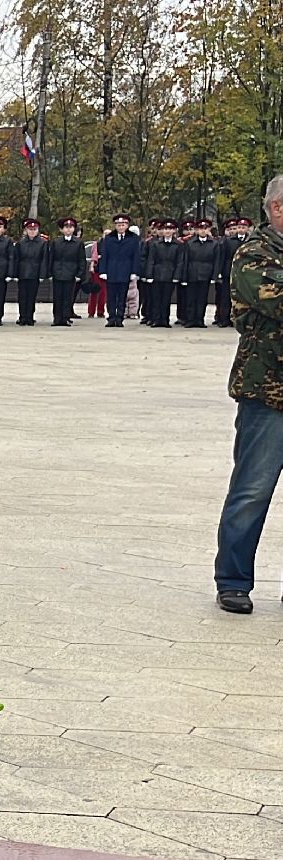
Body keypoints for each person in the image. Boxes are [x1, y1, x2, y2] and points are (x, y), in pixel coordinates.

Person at [213, 176, 283, 615]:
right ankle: (233, 581)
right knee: (252, 491)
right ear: (277, 208)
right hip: (268, 392)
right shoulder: (254, 253)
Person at [95, 215, 141, 329]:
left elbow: (136, 256)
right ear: (115, 226)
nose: (121, 227)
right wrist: (103, 271)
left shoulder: (133, 238)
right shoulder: (109, 238)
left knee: (122, 296)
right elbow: (104, 255)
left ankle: (119, 318)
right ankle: (111, 318)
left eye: (123, 225)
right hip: (111, 270)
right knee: (111, 297)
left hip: (125, 270)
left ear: (127, 225)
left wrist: (134, 271)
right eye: (118, 225)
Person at [180, 219, 222, 329]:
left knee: (202, 299)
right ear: (197, 230)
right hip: (192, 272)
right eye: (200, 229)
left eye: (205, 229)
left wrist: (215, 276)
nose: (203, 231)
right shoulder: (190, 243)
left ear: (208, 230)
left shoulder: (214, 244)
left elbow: (217, 261)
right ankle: (190, 320)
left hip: (206, 273)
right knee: (190, 298)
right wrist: (183, 276)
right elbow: (185, 261)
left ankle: (199, 319)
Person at [141, 219, 182, 328]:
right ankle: (156, 319)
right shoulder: (155, 244)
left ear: (174, 231)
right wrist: (149, 275)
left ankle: (164, 319)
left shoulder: (178, 245)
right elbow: (151, 260)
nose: (167, 231)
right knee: (156, 298)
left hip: (170, 274)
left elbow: (179, 262)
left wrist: (177, 276)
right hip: (157, 274)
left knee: (166, 299)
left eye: (170, 229)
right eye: (165, 229)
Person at [48, 218, 85, 327]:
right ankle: (57, 318)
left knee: (68, 297)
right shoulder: (56, 242)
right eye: (66, 227)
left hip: (71, 273)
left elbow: (81, 260)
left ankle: (66, 317)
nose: (68, 230)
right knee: (57, 296)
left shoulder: (78, 243)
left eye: (71, 227)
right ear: (62, 229)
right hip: (58, 272)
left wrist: (80, 274)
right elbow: (51, 258)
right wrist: (50, 272)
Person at [14, 218, 49, 326]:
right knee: (22, 296)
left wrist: (42, 274)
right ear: (26, 230)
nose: (32, 231)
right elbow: (16, 258)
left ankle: (29, 317)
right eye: (30, 229)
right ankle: (22, 316)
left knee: (32, 296)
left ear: (38, 230)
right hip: (23, 272)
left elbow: (44, 259)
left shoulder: (42, 243)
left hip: (35, 272)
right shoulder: (21, 242)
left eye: (34, 229)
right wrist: (15, 273)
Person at [218, 217, 250, 329]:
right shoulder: (229, 241)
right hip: (229, 271)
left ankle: (238, 320)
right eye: (239, 227)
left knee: (242, 298)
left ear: (248, 228)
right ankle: (224, 319)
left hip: (245, 273)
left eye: (243, 227)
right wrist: (220, 271)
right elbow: (222, 257)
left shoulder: (250, 241)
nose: (241, 229)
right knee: (226, 297)